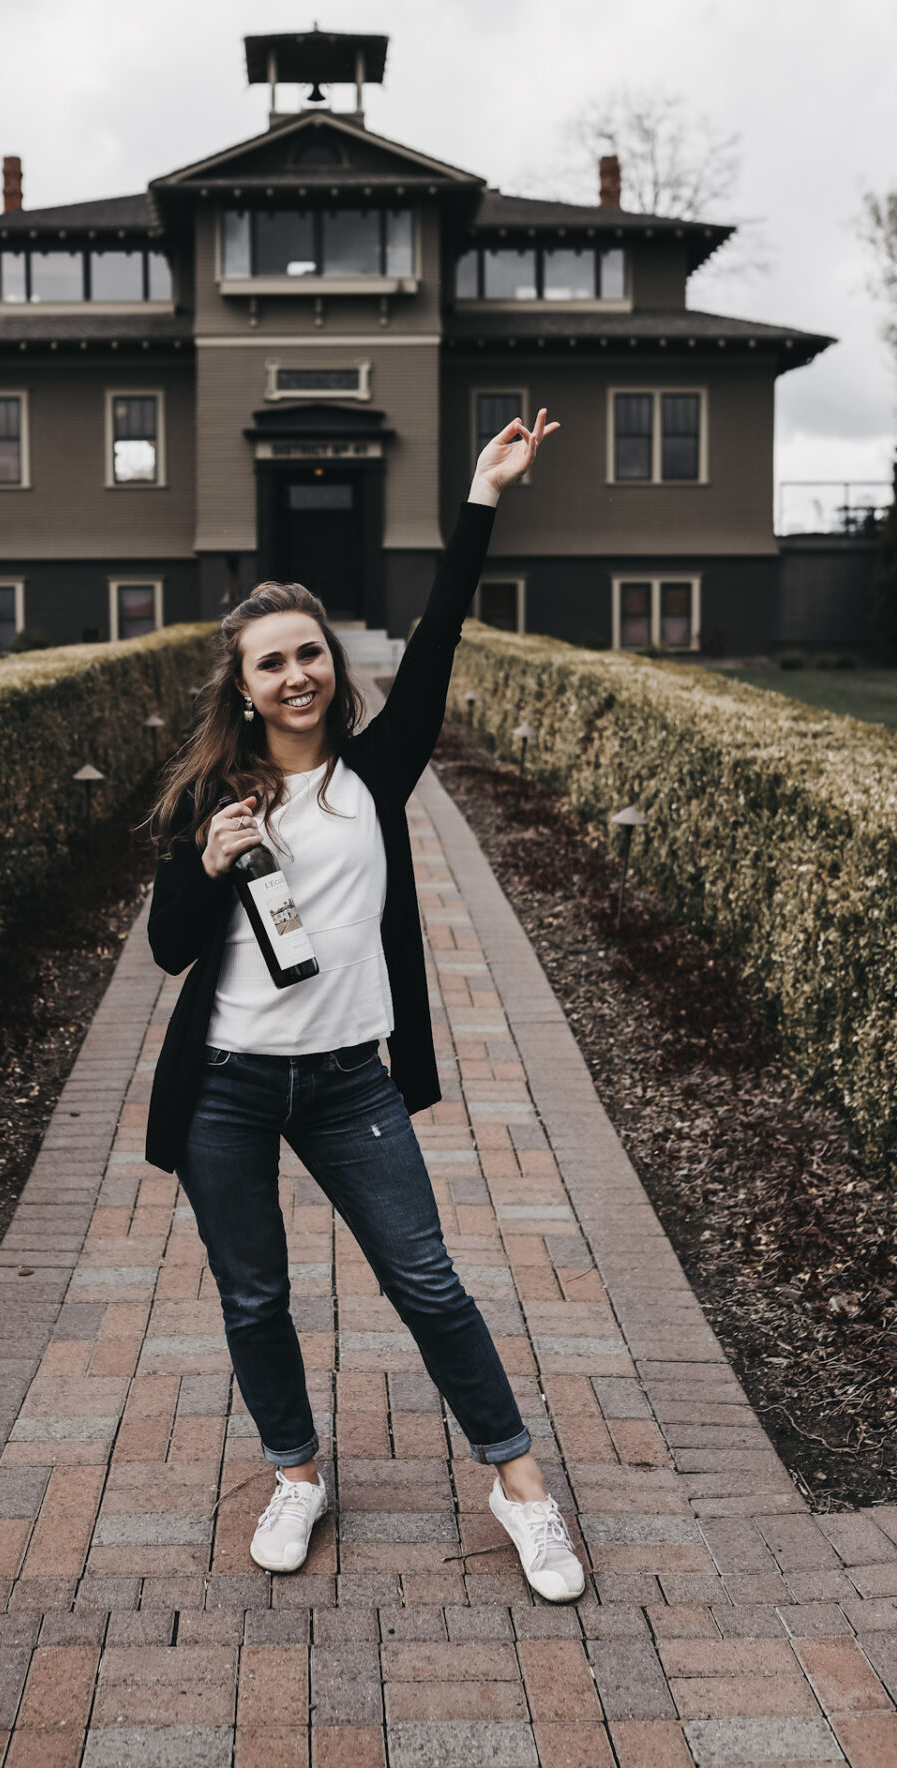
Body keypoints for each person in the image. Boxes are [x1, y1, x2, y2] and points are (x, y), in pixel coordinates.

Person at [145, 412, 584, 1604]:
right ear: (241, 688)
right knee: (254, 1295)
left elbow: (438, 635)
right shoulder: (209, 800)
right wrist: (204, 865)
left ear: (331, 665)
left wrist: (484, 495)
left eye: (309, 653)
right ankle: (295, 1473)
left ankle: (520, 1489)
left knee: (427, 1279)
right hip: (227, 1084)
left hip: (348, 1080)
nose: (296, 674)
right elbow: (166, 954)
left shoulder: (371, 775)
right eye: (270, 662)